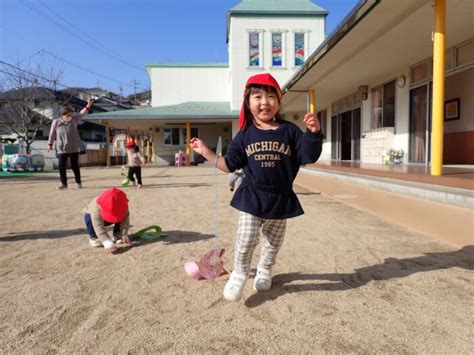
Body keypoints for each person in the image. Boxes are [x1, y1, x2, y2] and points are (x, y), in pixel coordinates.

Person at [190, 73, 322, 302]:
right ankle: (239, 273)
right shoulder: (244, 136)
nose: (265, 102)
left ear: (279, 103)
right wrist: (206, 152)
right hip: (252, 196)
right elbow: (229, 164)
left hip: (281, 198)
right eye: (258, 96)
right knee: (247, 237)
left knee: (273, 242)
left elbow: (307, 155)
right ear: (248, 103)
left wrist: (313, 134)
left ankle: (264, 271)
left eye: (271, 96)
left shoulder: (290, 131)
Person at [48, 97, 93, 189]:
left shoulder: (74, 120)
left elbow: (81, 113)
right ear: (63, 115)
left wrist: (88, 105)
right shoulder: (56, 122)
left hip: (73, 147)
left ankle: (78, 182)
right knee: (61, 166)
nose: (70, 116)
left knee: (74, 166)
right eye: (68, 115)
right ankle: (63, 183)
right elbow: (52, 133)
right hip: (61, 148)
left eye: (71, 114)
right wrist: (50, 144)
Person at [83, 188, 132, 254]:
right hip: (96, 218)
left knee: (120, 215)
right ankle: (93, 237)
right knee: (88, 218)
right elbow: (98, 226)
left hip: (110, 218)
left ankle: (117, 234)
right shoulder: (96, 207)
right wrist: (106, 241)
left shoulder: (123, 204)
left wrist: (123, 234)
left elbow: (125, 221)